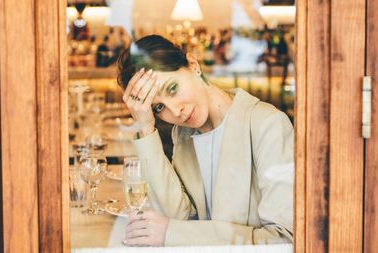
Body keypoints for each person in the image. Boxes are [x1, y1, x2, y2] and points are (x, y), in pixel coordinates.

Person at [117, 35, 294, 246]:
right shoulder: (183, 135)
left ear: (193, 66)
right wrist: (145, 126)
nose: (176, 111)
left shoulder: (268, 125)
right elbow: (177, 217)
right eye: (159, 107)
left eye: (172, 89)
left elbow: (284, 240)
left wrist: (173, 234)